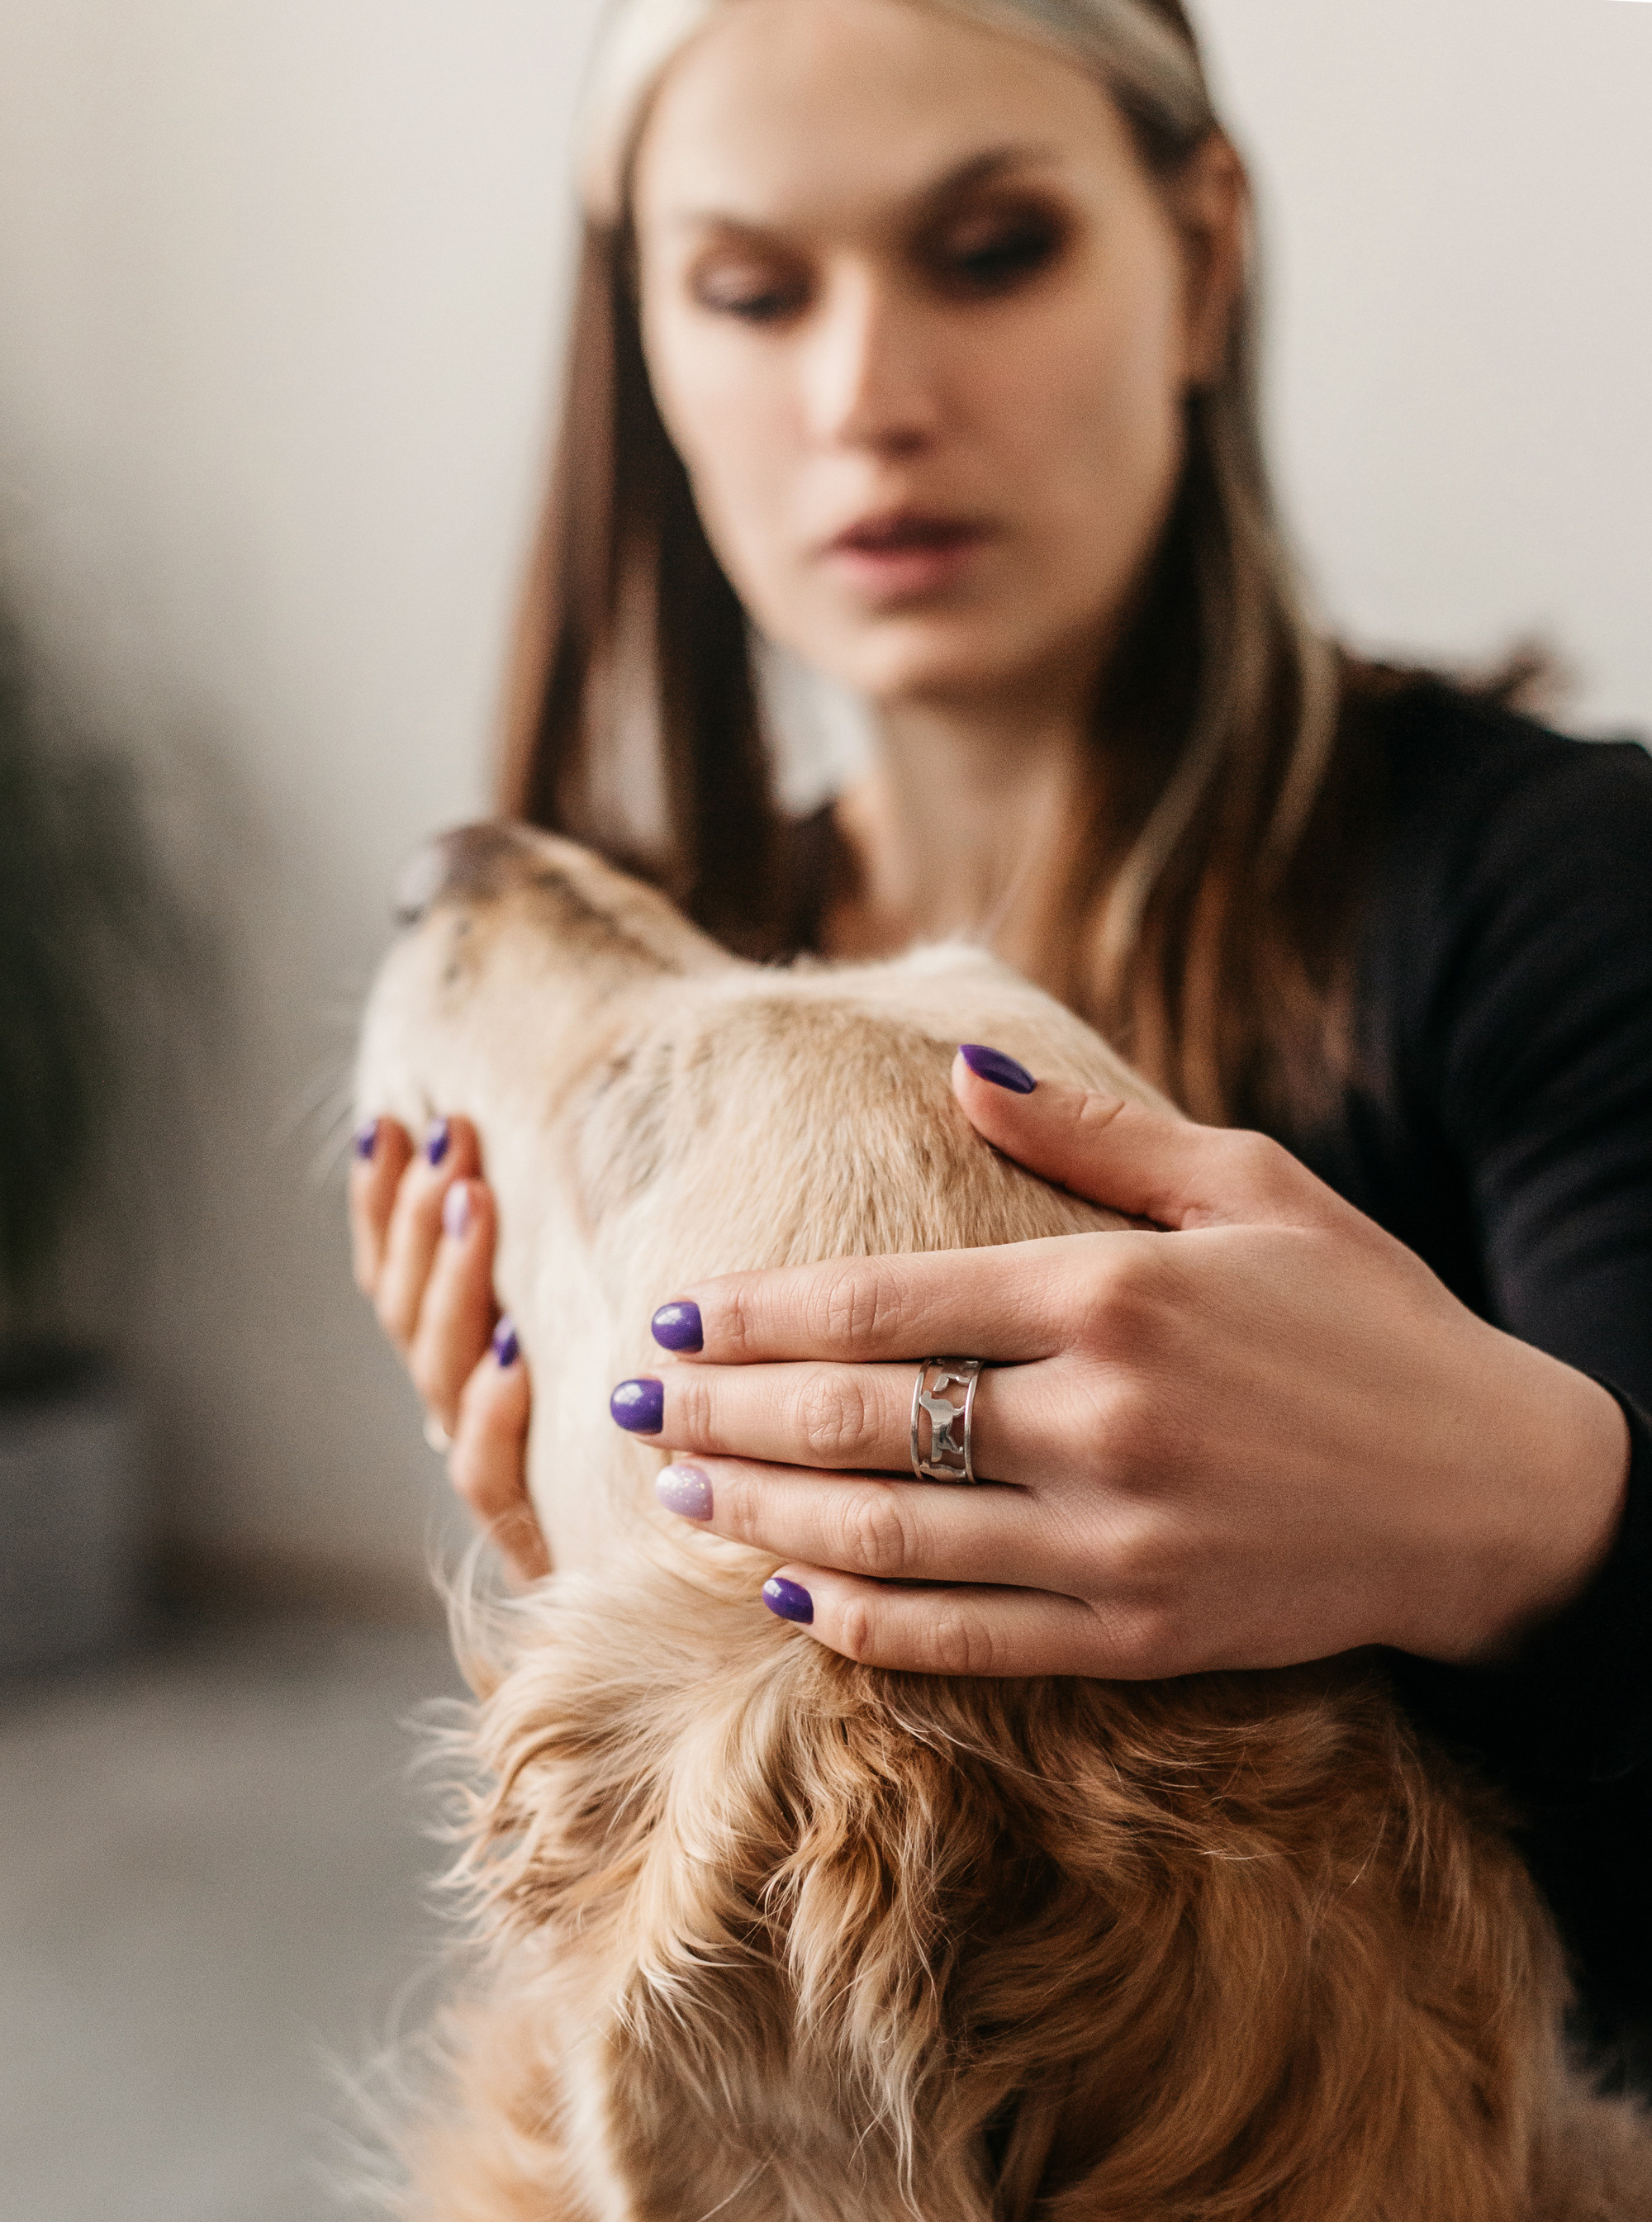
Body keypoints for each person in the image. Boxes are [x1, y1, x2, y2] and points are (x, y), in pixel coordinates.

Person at [349, 0, 1652, 2063]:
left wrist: (1537, 1517)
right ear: (648, 344)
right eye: (750, 292)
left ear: (1198, 261)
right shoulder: (649, 973)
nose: (868, 396)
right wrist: (598, 1562)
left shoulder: (1563, 887)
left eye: (987, 253)